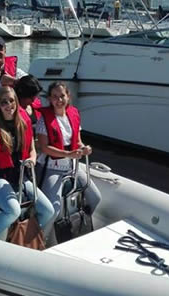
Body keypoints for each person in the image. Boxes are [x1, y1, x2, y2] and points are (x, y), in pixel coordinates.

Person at [0, 86, 54, 239]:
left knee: (48, 211)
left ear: (16, 102)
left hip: (20, 177)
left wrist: (31, 160)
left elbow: (32, 149)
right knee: (14, 210)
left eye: (11, 101)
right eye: (3, 102)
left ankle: (24, 239)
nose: (8, 105)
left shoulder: (22, 122)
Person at [35, 82, 101, 233]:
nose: (59, 100)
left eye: (62, 96)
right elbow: (45, 147)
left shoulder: (73, 114)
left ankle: (79, 226)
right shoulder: (43, 120)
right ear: (50, 99)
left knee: (95, 198)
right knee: (53, 209)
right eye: (55, 97)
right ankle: (40, 240)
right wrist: (68, 154)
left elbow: (77, 141)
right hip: (52, 168)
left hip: (71, 167)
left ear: (68, 96)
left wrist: (84, 148)